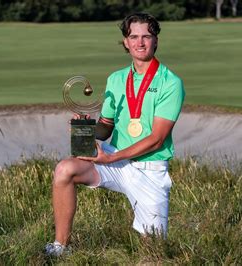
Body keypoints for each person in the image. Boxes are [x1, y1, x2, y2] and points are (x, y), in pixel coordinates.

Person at [44, 12, 185, 257]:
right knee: (64, 170)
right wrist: (86, 128)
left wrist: (112, 156)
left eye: (146, 36)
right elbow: (105, 128)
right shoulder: (117, 79)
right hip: (117, 161)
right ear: (126, 42)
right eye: (134, 37)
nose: (140, 42)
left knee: (153, 254)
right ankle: (60, 248)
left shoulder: (170, 82)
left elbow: (157, 138)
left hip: (149, 169)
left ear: (156, 41)